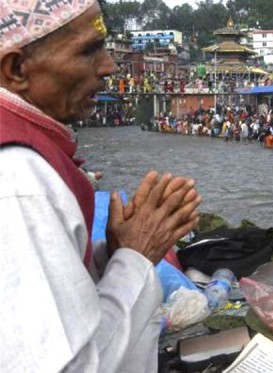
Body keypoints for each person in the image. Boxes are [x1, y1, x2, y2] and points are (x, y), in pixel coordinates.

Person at [0, 1, 201, 371]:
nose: (109, 66)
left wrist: (109, 254)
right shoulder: (15, 178)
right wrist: (137, 257)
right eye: (89, 50)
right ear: (16, 70)